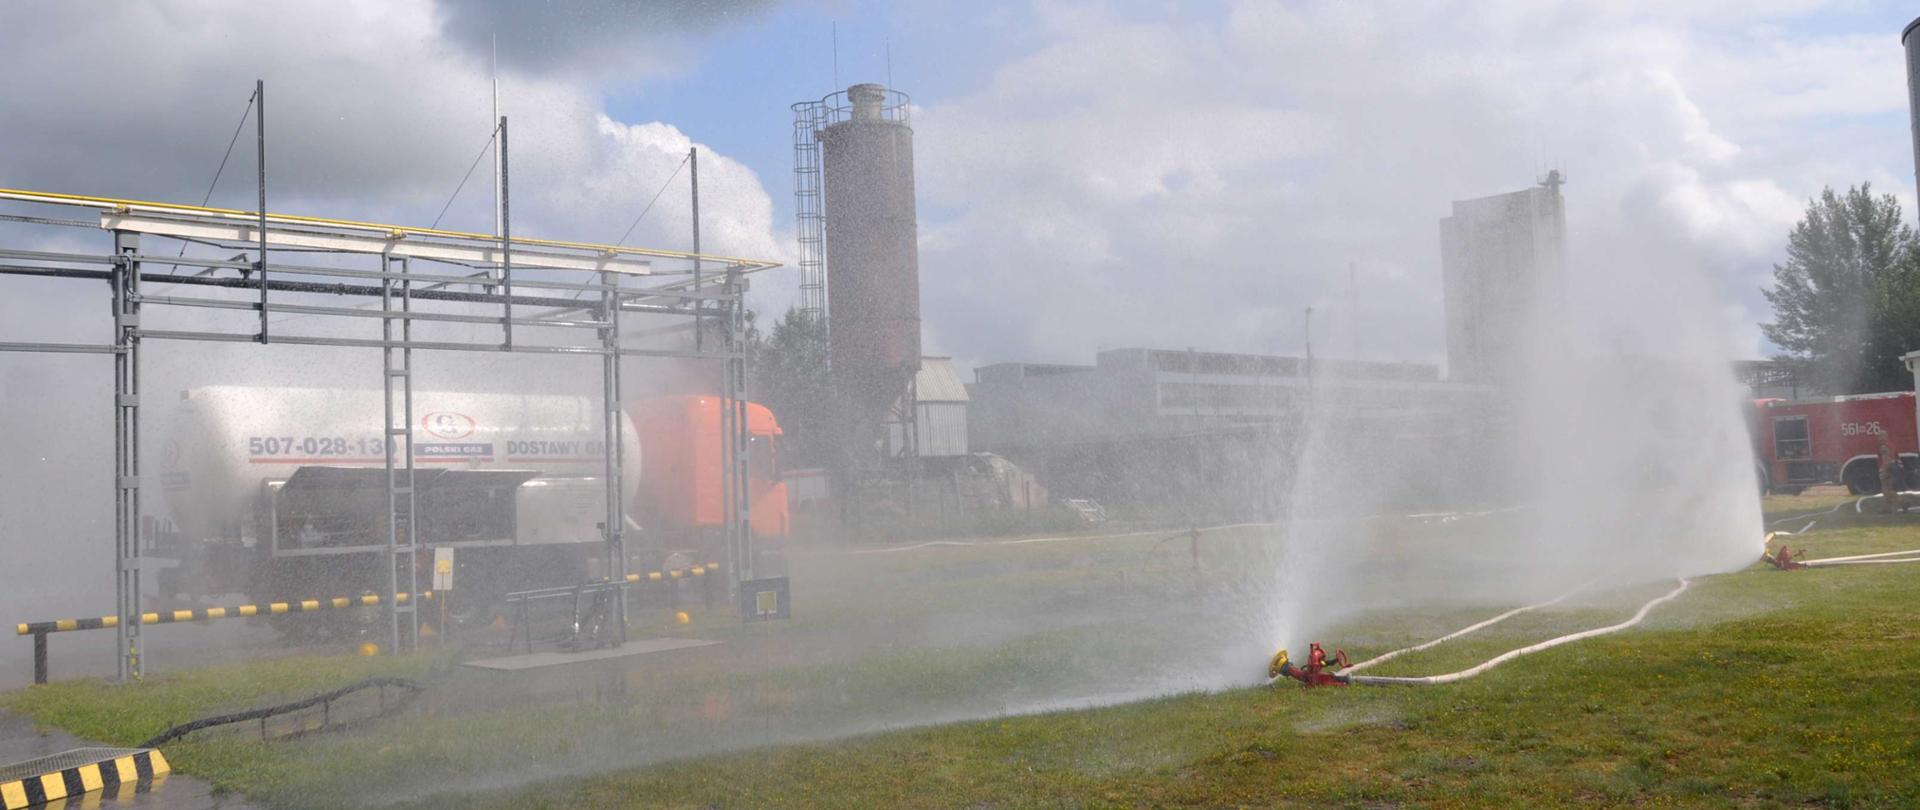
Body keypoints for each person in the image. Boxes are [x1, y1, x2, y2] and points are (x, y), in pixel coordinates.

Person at [1878, 438, 1902, 514]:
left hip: (1887, 471)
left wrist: (1885, 471)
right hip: (1885, 470)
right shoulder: (1886, 447)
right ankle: (1886, 508)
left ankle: (1902, 504)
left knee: (1888, 491)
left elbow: (1888, 462)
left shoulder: (1886, 449)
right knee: (1885, 491)